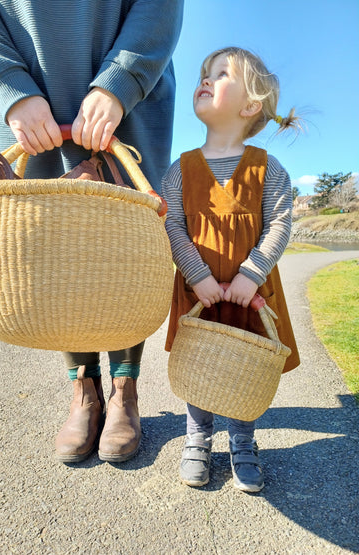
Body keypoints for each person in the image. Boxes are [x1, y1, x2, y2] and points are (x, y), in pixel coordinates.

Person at [0, 0, 184, 463]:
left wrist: (122, 80)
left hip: (126, 96)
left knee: (124, 246)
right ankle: (85, 391)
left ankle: (124, 390)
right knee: (51, 249)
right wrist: (9, 87)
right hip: (31, 90)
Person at [162, 46, 301, 493]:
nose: (205, 79)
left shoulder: (267, 168)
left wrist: (252, 273)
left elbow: (281, 221)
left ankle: (243, 438)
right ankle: (198, 436)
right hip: (198, 288)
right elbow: (172, 223)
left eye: (220, 74)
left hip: (249, 292)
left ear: (249, 105)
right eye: (205, 73)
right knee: (199, 363)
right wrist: (196, 274)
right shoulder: (180, 169)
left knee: (246, 366)